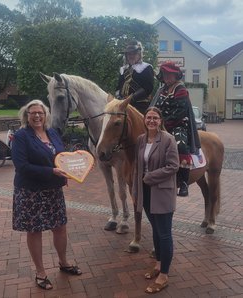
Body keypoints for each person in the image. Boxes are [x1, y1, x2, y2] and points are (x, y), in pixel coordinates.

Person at [11, 99, 82, 290]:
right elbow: (22, 166)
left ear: (46, 115)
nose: (36, 116)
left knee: (60, 227)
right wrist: (51, 171)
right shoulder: (21, 136)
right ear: (26, 116)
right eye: (32, 113)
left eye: (40, 113)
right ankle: (40, 272)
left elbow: (61, 157)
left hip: (53, 190)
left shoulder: (52, 132)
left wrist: (74, 163)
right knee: (35, 231)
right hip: (30, 192)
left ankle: (63, 262)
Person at [132, 107, 179, 294]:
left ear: (160, 121)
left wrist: (150, 177)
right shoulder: (140, 140)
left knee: (164, 233)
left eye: (155, 118)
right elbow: (137, 168)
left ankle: (164, 275)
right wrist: (135, 191)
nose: (151, 121)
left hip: (162, 192)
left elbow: (173, 166)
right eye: (148, 117)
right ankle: (159, 265)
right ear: (145, 120)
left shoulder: (168, 140)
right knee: (155, 231)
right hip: (145, 192)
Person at [152, 62, 201, 196]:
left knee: (181, 146)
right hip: (159, 125)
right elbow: (155, 108)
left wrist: (163, 124)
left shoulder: (180, 90)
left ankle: (184, 182)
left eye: (170, 74)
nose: (167, 77)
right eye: (165, 74)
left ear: (175, 75)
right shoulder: (161, 90)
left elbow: (179, 112)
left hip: (177, 125)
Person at [115, 40, 154, 114]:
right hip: (123, 105)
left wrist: (131, 98)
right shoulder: (123, 69)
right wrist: (118, 97)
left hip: (140, 105)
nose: (131, 56)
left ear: (139, 54)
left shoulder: (146, 67)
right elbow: (118, 87)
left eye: (134, 54)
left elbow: (148, 88)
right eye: (129, 54)